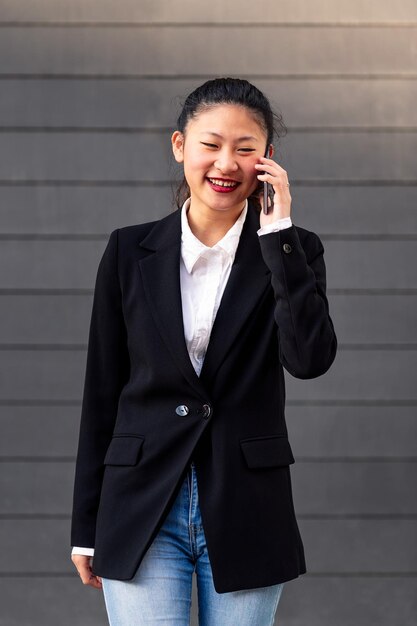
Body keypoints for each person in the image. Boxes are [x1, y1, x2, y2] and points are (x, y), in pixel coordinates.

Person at [70, 77, 338, 625]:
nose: (226, 163)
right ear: (179, 147)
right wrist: (85, 524)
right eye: (211, 145)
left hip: (246, 506)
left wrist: (279, 234)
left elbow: (309, 360)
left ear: (267, 160)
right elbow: (103, 390)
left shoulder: (293, 250)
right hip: (142, 503)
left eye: (246, 149)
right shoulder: (129, 250)